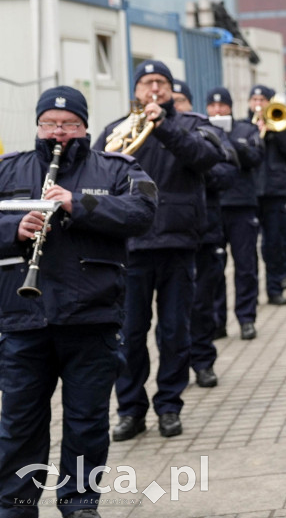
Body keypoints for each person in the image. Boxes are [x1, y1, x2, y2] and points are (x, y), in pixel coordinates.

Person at [0, 87, 156, 518]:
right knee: (19, 426)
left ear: (85, 127)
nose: (59, 132)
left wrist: (78, 204)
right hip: (22, 318)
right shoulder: (9, 168)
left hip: (92, 316)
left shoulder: (116, 167)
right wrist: (14, 230)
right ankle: (14, 506)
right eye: (50, 123)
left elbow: (142, 213)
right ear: (37, 126)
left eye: (69, 125)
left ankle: (80, 504)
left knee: (86, 424)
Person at [100, 61, 222, 442]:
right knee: (130, 335)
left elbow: (206, 158)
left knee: (174, 333)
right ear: (135, 90)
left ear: (170, 90)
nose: (154, 89)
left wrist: (163, 123)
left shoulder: (190, 124)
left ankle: (169, 406)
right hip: (131, 247)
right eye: (147, 83)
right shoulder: (114, 130)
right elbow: (98, 175)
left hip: (178, 243)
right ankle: (130, 410)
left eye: (161, 83)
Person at [172, 81, 239, 389]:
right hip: (167, 235)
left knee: (201, 303)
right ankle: (176, 368)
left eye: (181, 100)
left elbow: (228, 171)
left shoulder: (207, 131)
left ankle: (203, 361)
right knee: (172, 311)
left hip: (204, 230)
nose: (175, 105)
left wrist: (198, 169)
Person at [206, 87, 263, 340]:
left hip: (242, 206)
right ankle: (217, 321)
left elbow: (255, 157)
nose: (217, 110)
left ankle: (246, 318)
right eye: (213, 106)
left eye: (222, 106)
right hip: (214, 207)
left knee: (245, 266)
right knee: (214, 268)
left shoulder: (246, 129)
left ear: (230, 107)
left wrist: (229, 140)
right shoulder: (201, 130)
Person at [249, 85, 286, 306]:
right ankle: (253, 294)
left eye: (262, 99)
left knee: (275, 243)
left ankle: (275, 287)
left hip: (276, 191)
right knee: (251, 248)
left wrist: (278, 130)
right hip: (251, 192)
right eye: (254, 99)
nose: (258, 103)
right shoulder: (247, 126)